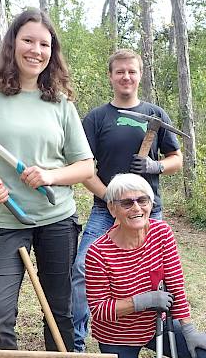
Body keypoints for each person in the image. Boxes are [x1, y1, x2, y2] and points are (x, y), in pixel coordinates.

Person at [0, 8, 94, 351]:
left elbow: (86, 167)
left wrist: (49, 174)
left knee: (59, 311)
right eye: (28, 40)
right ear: (12, 44)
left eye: (44, 44)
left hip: (56, 220)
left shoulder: (60, 103)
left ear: (52, 52)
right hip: (5, 220)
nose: (36, 50)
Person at [71, 48, 183, 351]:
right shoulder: (96, 118)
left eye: (131, 71)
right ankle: (76, 343)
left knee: (156, 274)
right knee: (82, 268)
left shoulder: (156, 114)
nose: (126, 76)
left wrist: (155, 166)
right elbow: (83, 168)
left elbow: (177, 159)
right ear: (111, 76)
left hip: (148, 211)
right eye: (119, 71)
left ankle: (158, 334)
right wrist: (109, 196)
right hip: (104, 211)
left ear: (140, 75)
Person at [84, 174, 206, 358]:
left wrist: (188, 330)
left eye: (142, 200)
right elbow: (99, 310)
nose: (136, 208)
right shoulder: (98, 252)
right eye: (126, 203)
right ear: (112, 208)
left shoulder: (161, 233)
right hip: (118, 335)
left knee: (203, 355)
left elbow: (175, 285)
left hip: (156, 325)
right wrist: (143, 301)